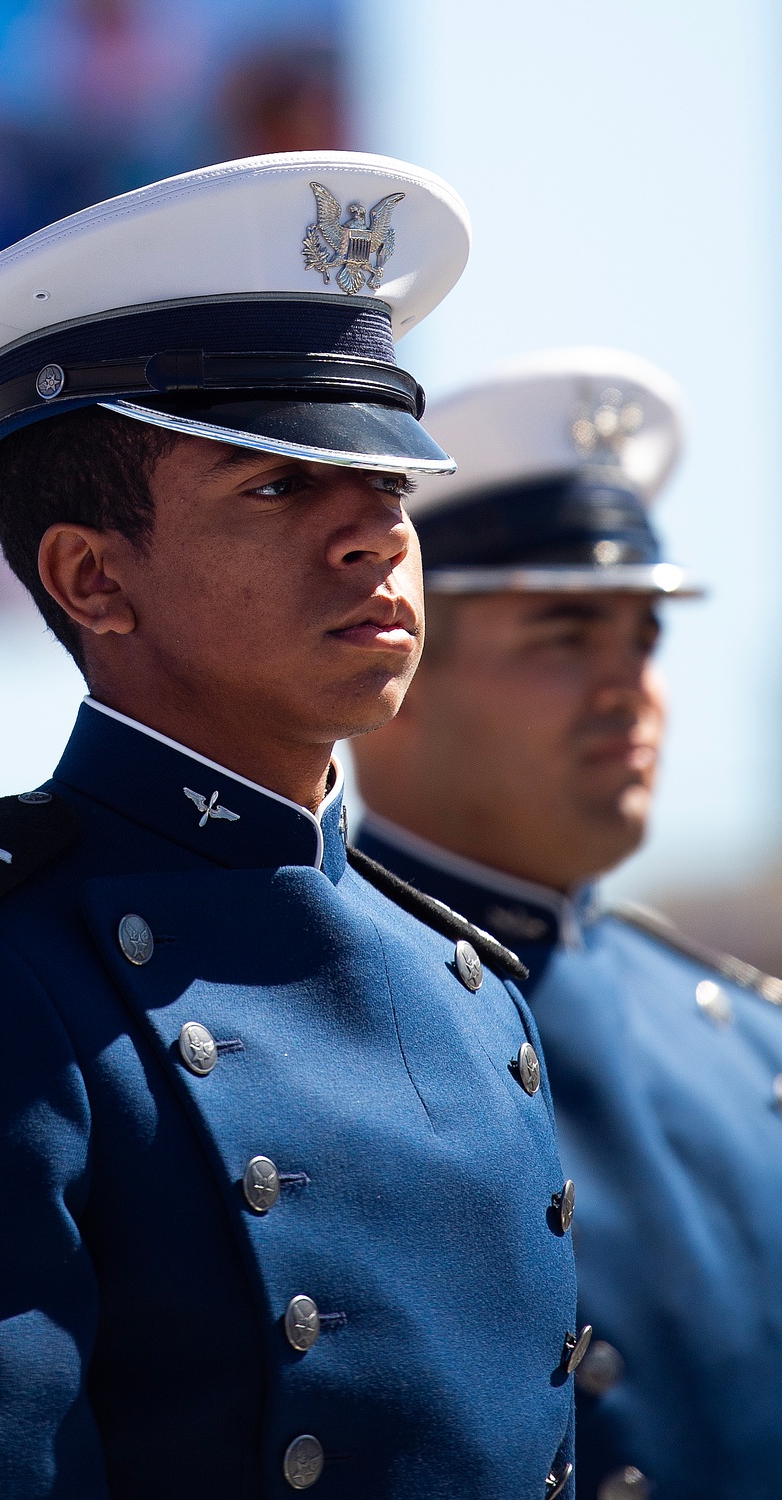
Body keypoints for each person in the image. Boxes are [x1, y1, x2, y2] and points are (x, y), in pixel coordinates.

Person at [0, 155, 579, 1500]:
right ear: (93, 577)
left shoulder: (467, 982)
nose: (373, 535)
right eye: (276, 486)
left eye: (388, 483)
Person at [353, 347, 782, 1500]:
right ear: (394, 668)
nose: (626, 685)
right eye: (561, 636)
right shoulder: (286, 1002)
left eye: (643, 638)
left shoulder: (743, 1039)